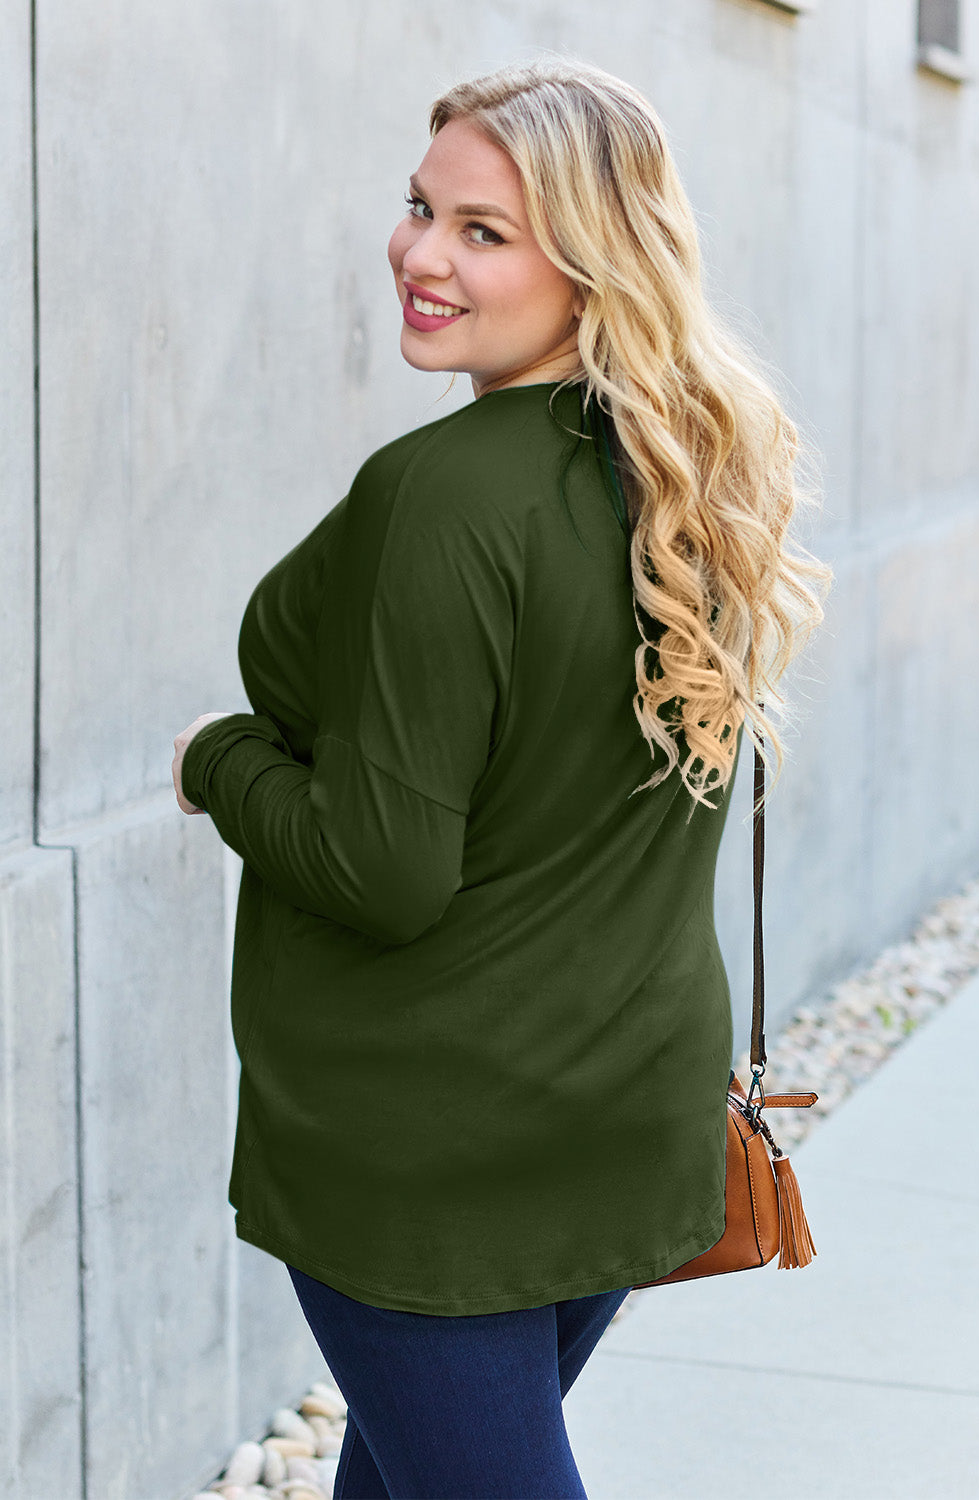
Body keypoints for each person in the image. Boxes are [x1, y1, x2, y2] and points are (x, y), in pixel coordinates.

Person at [171, 55, 832, 1500]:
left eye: (484, 231)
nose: (418, 254)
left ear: (596, 263)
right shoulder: (696, 475)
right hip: (622, 1110)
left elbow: (385, 868)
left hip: (432, 1157)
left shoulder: (444, 496)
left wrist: (218, 760)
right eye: (421, 209)